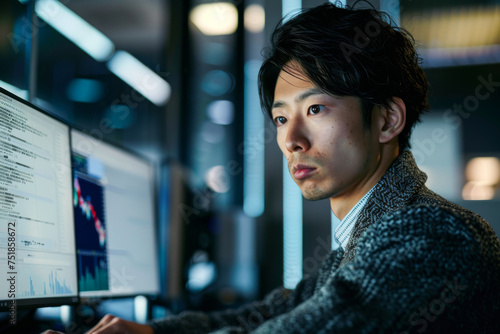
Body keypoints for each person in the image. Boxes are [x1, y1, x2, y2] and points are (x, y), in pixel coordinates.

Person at [45, 3, 500, 333]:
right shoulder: (370, 232)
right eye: (281, 118)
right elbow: (278, 310)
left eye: (316, 109)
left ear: (387, 119)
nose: (290, 140)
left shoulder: (431, 234)